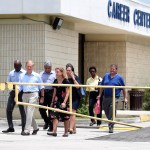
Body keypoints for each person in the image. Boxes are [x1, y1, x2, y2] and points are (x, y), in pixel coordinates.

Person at [97, 64, 128, 133]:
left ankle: (111, 126)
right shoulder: (106, 76)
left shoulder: (119, 78)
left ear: (116, 70)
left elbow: (123, 89)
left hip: (115, 97)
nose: (112, 70)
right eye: (111, 69)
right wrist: (99, 95)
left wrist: (125, 98)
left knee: (112, 110)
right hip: (106, 97)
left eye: (113, 69)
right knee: (106, 110)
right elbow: (102, 86)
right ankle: (111, 120)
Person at [18, 60, 44, 136]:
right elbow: (19, 86)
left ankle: (27, 130)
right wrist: (16, 96)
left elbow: (41, 87)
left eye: (30, 66)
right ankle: (35, 127)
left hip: (34, 95)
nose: (29, 68)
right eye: (28, 66)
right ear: (26, 67)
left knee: (29, 112)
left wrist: (42, 97)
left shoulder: (37, 75)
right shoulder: (22, 75)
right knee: (28, 113)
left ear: (33, 67)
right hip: (25, 95)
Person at [2, 60, 26, 134]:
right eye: (15, 66)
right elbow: (9, 83)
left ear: (21, 66)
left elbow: (24, 84)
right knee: (9, 109)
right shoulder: (11, 73)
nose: (17, 68)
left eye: (18, 67)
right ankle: (11, 127)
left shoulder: (24, 73)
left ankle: (24, 128)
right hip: (13, 93)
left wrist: (18, 89)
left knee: (22, 111)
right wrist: (8, 86)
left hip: (21, 93)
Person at [47, 67, 70, 137]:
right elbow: (54, 92)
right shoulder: (55, 81)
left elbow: (67, 93)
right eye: (55, 72)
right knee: (54, 115)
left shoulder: (66, 81)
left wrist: (64, 102)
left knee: (65, 116)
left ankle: (66, 132)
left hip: (63, 100)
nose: (56, 73)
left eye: (57, 72)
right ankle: (54, 131)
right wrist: (52, 101)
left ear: (61, 73)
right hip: (57, 100)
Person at [39, 60, 55, 131]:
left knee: (51, 110)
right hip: (43, 93)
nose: (47, 69)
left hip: (51, 93)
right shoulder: (41, 74)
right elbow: (39, 84)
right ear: (44, 67)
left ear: (51, 67)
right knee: (41, 109)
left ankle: (51, 126)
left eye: (49, 68)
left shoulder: (54, 74)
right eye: (46, 68)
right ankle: (47, 121)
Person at [66, 63, 80, 134]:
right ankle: (74, 129)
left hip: (75, 98)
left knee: (72, 112)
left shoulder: (75, 77)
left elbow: (78, 86)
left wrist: (73, 78)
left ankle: (70, 128)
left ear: (72, 71)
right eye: (67, 70)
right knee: (69, 112)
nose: (68, 72)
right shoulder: (66, 78)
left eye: (69, 70)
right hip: (68, 97)